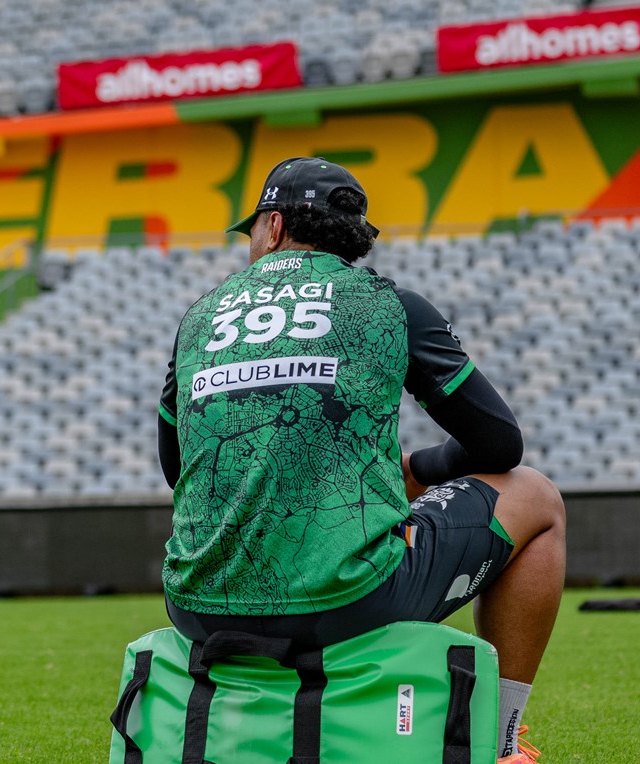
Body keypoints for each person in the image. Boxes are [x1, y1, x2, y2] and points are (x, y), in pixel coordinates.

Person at [156, 157, 565, 763]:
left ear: (271, 227)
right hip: (348, 604)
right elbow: (501, 446)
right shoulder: (391, 305)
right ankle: (503, 742)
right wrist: (419, 469)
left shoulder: (200, 317)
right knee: (536, 495)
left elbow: (177, 469)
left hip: (196, 608)